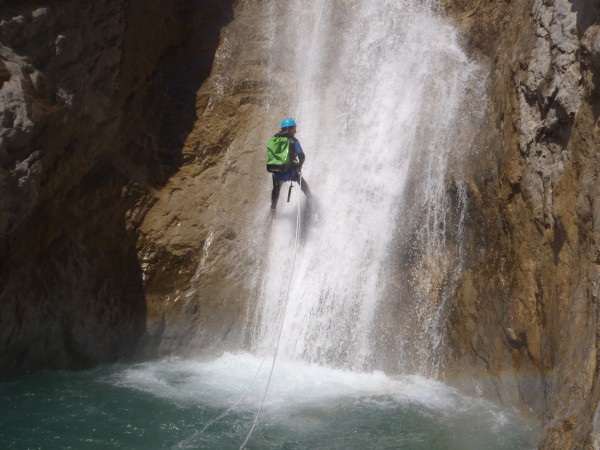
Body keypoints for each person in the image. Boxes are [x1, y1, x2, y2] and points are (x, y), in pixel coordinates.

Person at [268, 118, 311, 213]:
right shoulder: (293, 141)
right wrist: (299, 166)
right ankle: (309, 197)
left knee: (276, 187)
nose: (295, 131)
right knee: (301, 180)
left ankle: (273, 207)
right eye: (294, 129)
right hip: (290, 172)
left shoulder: (273, 140)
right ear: (290, 129)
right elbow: (302, 156)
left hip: (277, 173)